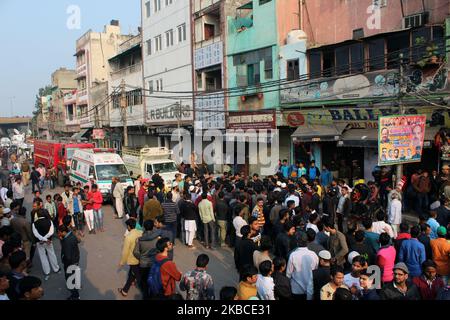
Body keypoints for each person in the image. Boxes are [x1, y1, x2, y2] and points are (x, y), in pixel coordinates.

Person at [286, 232, 319, 300]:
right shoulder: (314, 255)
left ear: (297, 242)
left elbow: (288, 274)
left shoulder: (293, 255)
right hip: (310, 289)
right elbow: (316, 271)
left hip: (296, 290)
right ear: (307, 242)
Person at [32, 210, 60, 280]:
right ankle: (56, 268)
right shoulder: (49, 221)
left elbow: (36, 234)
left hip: (40, 242)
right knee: (52, 254)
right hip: (49, 241)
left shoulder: (34, 223)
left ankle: (47, 271)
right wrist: (46, 239)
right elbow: (51, 232)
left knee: (43, 256)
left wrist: (42, 239)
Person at [118, 219, 143, 297]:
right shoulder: (141, 233)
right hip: (141, 258)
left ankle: (146, 293)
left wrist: (122, 262)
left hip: (133, 260)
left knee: (138, 277)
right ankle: (125, 290)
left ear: (129, 227)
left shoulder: (128, 237)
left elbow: (125, 252)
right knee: (132, 274)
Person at [58, 225, 80, 300]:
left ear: (63, 232)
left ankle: (75, 296)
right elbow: (77, 241)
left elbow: (68, 256)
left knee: (70, 280)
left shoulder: (66, 241)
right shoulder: (72, 235)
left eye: (59, 232)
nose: (59, 234)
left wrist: (64, 262)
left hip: (70, 263)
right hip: (76, 259)